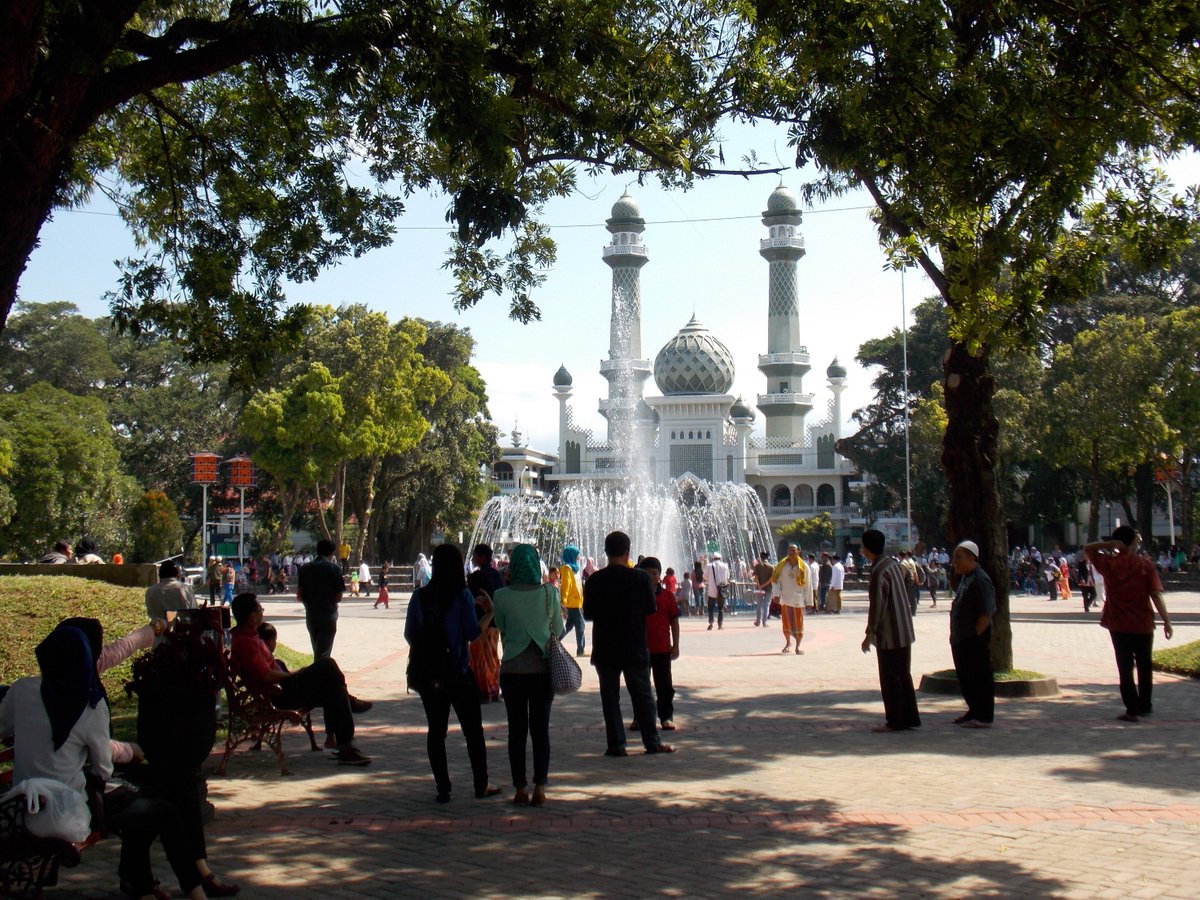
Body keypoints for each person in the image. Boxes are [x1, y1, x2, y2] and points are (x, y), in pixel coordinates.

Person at [0, 625, 210, 900]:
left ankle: (144, 882)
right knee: (158, 808)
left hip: (22, 803)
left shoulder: (22, 690)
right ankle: (190, 888)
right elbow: (103, 770)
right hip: (68, 810)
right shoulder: (90, 704)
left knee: (150, 804)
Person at [405, 543, 500, 802]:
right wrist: (489, 612)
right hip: (458, 672)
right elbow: (472, 634)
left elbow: (410, 635)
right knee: (473, 731)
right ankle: (481, 784)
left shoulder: (419, 597)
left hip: (428, 674)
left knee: (436, 731)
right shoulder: (462, 597)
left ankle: (443, 788)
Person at [229, 593, 372, 765]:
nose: (262, 613)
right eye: (260, 610)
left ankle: (347, 747)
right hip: (281, 693)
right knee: (327, 664)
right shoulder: (245, 642)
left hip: (282, 686)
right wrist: (293, 675)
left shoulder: (249, 636)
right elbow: (265, 674)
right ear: (252, 616)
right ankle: (352, 708)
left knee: (335, 690)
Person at [582, 531, 675, 757]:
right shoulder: (641, 578)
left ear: (606, 551)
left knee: (610, 698)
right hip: (634, 644)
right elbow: (650, 609)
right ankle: (651, 742)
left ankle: (616, 745)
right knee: (643, 696)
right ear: (627, 552)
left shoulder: (595, 580)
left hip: (605, 647)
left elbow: (589, 614)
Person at [491, 544, 559, 807]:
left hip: (512, 671)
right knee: (540, 729)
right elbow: (559, 628)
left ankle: (520, 788)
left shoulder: (501, 595)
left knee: (516, 731)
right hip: (542, 671)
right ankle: (540, 787)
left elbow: (502, 628)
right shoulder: (548, 593)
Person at [1084, 526, 1174, 722]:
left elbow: (1088, 549)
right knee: (1144, 664)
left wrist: (1109, 544)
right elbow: (1156, 594)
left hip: (1118, 622)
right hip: (1142, 621)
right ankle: (1145, 705)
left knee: (1125, 667)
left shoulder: (1109, 563)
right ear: (1132, 542)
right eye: (1137, 539)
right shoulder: (1145, 565)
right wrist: (1166, 621)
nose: (1139, 542)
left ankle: (1131, 709)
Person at [860, 529, 921, 733]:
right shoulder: (894, 565)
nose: (861, 550)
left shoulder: (878, 571)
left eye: (862, 547)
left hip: (889, 633)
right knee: (904, 675)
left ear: (867, 549)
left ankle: (895, 720)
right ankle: (909, 717)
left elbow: (877, 605)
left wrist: (870, 633)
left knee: (890, 677)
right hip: (904, 628)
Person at [949, 540, 996, 728]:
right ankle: (974, 710)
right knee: (967, 677)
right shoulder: (966, 578)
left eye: (959, 558)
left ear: (972, 558)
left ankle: (984, 716)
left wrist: (974, 634)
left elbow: (986, 612)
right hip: (962, 638)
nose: (955, 562)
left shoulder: (980, 580)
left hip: (973, 639)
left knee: (979, 676)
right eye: (954, 558)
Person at [632, 557, 680, 732]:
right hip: (640, 648)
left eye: (654, 573)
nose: (651, 576)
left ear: (660, 575)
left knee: (664, 686)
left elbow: (674, 622)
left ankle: (666, 717)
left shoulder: (667, 596)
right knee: (640, 687)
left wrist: (675, 645)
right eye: (647, 573)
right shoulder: (635, 596)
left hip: (662, 648)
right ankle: (640, 718)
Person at [466, 544, 504, 702]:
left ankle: (483, 690)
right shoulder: (496, 575)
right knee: (492, 656)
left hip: (480, 622)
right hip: (495, 623)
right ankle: (494, 690)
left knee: (480, 658)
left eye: (475, 555)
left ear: (481, 557)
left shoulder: (475, 577)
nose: (473, 558)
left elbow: (471, 601)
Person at [296, 538, 344, 660]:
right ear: (331, 553)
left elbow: (299, 595)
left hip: (311, 615)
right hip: (328, 614)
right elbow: (338, 597)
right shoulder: (334, 569)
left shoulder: (304, 569)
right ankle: (320, 676)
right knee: (323, 652)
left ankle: (319, 674)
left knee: (317, 647)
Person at [144, 561, 197, 642]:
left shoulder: (151, 591)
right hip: (183, 639)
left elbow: (150, 613)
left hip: (160, 641)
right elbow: (193, 612)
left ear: (160, 574)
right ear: (177, 574)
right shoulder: (185, 589)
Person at [769, 544, 807, 654]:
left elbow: (808, 585)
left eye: (793, 550)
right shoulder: (781, 566)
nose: (791, 552)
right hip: (785, 599)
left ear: (798, 552)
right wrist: (776, 595)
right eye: (789, 550)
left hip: (798, 600)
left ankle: (798, 646)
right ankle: (788, 642)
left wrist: (809, 601)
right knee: (786, 623)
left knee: (798, 624)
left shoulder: (803, 567)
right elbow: (776, 581)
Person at [559, 544, 586, 656]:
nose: (578, 557)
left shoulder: (574, 569)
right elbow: (565, 586)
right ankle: (581, 650)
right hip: (571, 604)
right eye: (577, 555)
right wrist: (563, 603)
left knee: (569, 626)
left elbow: (578, 587)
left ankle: (552, 643)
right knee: (581, 625)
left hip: (577, 603)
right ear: (571, 555)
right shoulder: (567, 569)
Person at [704, 552, 730, 631]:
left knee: (710, 608)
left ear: (713, 558)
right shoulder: (725, 566)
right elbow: (727, 577)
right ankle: (720, 624)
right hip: (721, 590)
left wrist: (709, 579)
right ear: (720, 558)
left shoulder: (709, 566)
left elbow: (705, 577)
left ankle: (711, 623)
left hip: (712, 590)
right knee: (721, 608)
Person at [752, 550, 774, 627]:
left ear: (760, 557)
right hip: (768, 588)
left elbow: (756, 577)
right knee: (766, 605)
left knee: (759, 605)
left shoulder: (757, 566)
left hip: (759, 588)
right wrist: (764, 585)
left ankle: (758, 621)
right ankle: (764, 622)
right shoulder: (771, 567)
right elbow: (771, 579)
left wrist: (759, 585)